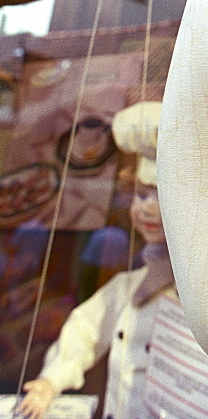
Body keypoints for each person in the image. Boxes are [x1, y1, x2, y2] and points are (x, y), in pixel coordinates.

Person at [18, 101, 174, 419]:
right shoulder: (128, 286)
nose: (147, 209)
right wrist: (51, 380)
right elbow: (85, 330)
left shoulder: (206, 295)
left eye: (163, 197)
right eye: (142, 196)